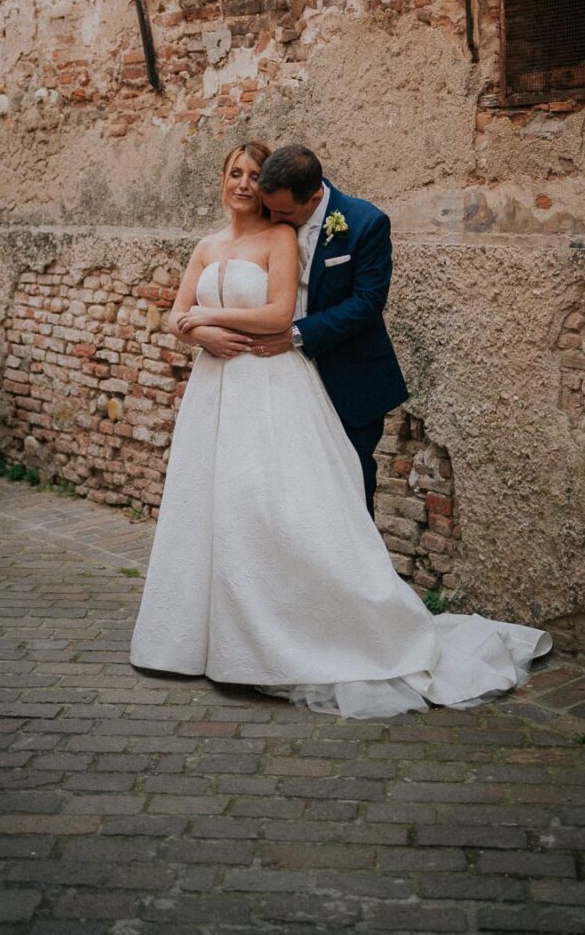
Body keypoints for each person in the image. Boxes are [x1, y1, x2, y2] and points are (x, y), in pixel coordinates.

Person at [129, 142, 551, 719]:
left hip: (320, 378)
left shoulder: (357, 224)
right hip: (221, 393)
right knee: (224, 505)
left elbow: (358, 305)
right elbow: (180, 313)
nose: (249, 188)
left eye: (258, 179)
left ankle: (341, 616)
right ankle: (211, 635)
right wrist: (196, 330)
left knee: (330, 506)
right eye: (236, 174)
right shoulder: (213, 243)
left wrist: (223, 321)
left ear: (303, 199)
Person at [253, 144, 408, 518]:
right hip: (286, 380)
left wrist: (295, 334)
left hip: (350, 377)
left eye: (284, 212)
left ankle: (358, 571)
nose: (273, 217)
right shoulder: (271, 218)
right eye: (269, 208)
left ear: (316, 195)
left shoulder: (365, 223)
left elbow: (367, 303)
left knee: (350, 481)